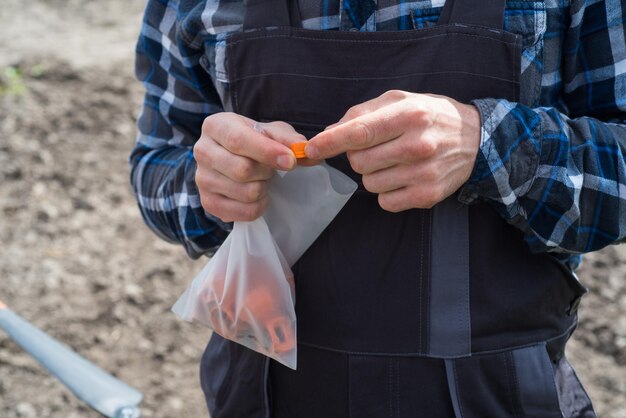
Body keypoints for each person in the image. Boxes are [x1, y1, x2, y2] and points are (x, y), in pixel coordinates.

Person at [130, 0, 626, 416]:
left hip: (494, 396)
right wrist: (212, 187)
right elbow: (157, 163)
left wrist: (488, 143)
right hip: (263, 393)